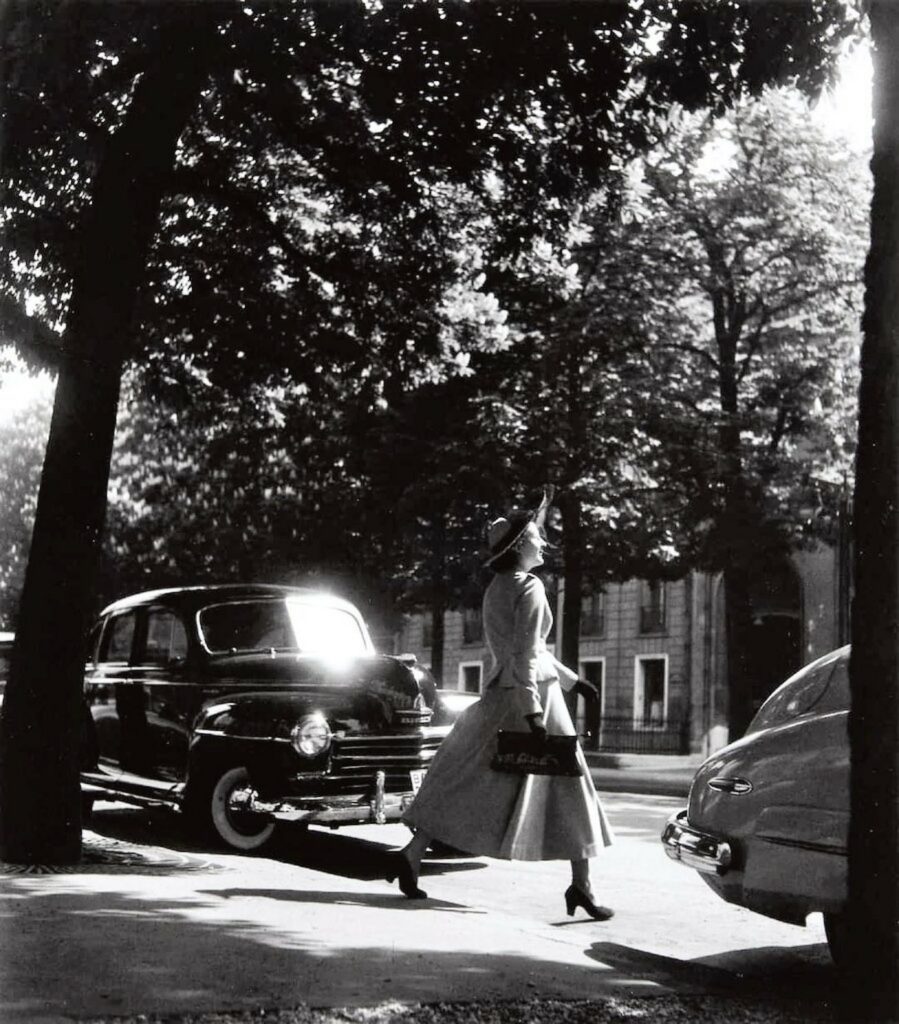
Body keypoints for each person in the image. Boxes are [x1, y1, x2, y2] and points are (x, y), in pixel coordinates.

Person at [386, 491, 614, 919]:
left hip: (502, 694)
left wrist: (574, 681)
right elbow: (526, 655)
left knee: (469, 778)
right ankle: (582, 886)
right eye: (536, 537)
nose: (543, 542)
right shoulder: (530, 587)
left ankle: (411, 855)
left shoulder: (496, 588)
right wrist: (534, 711)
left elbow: (524, 652)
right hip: (533, 697)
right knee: (572, 787)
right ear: (519, 547)